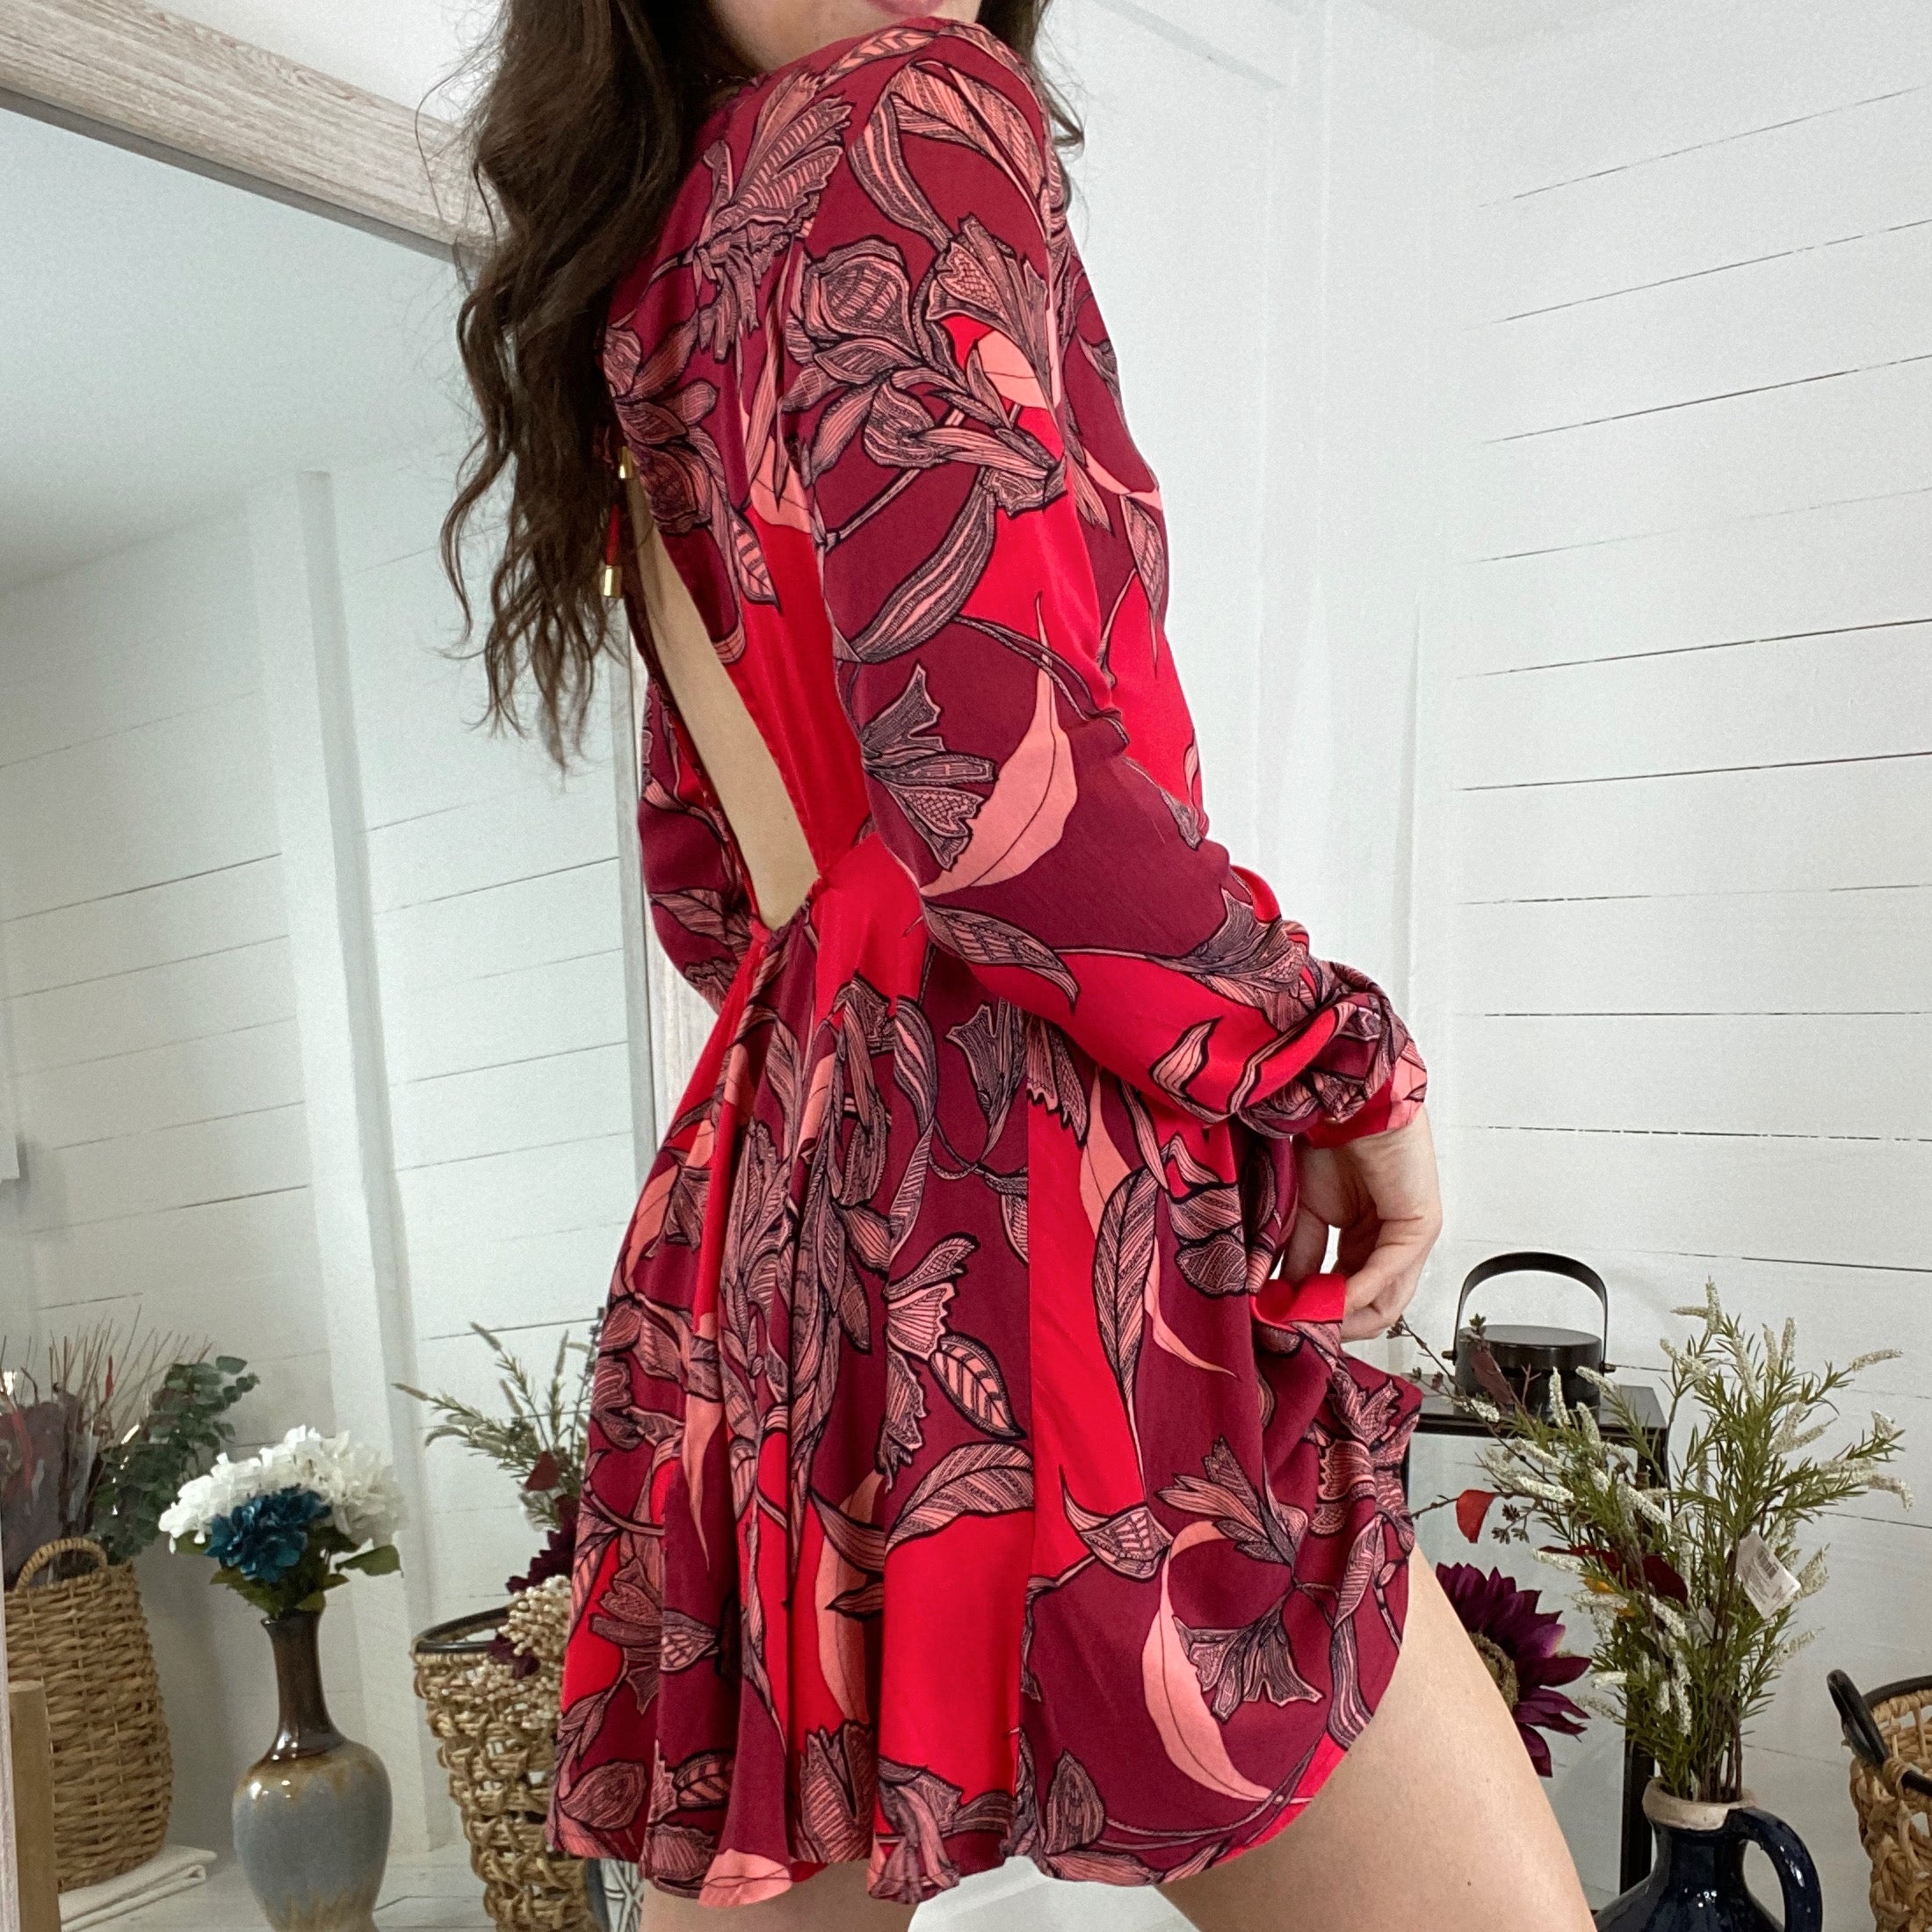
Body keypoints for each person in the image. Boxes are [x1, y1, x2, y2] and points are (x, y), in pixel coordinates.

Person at [442, 3, 1596, 1926]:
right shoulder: (910, 108)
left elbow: (716, 882)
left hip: (780, 1211)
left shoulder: (659, 269)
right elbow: (996, 786)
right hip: (1035, 1198)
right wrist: (1340, 1067)